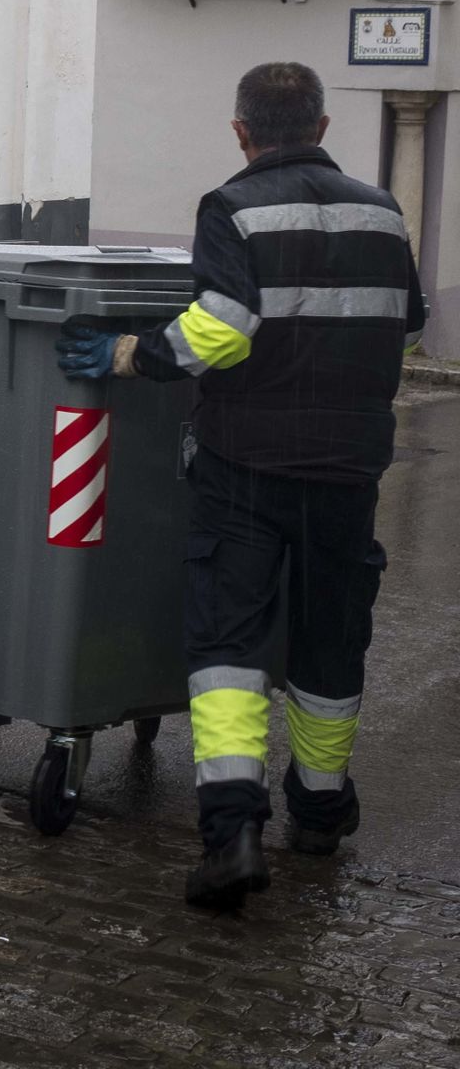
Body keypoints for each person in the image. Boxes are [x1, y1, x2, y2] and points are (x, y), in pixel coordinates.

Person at [55, 62, 425, 910]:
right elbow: (407, 326)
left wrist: (128, 355)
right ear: (323, 128)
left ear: (242, 131)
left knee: (229, 642)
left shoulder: (234, 207)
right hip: (348, 470)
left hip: (245, 465)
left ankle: (233, 832)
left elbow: (220, 329)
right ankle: (322, 809)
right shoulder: (381, 210)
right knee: (331, 638)